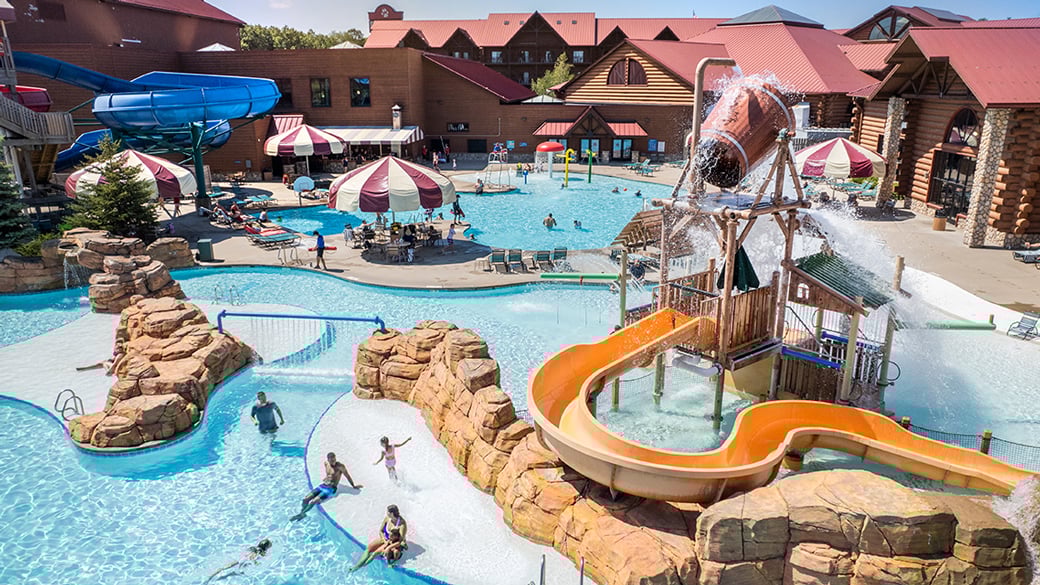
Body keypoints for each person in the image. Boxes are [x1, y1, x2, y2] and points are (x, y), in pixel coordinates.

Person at [291, 452, 362, 521]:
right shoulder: (326, 464)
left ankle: (302, 513)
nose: (333, 462)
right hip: (323, 485)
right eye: (331, 461)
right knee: (305, 499)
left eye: (334, 460)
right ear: (328, 460)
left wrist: (353, 485)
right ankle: (302, 513)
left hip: (331, 488)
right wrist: (326, 478)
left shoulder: (340, 466)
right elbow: (328, 475)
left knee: (314, 501)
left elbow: (347, 475)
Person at [205, 539, 272, 583]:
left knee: (225, 568)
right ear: (266, 547)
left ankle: (211, 576)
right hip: (245, 562)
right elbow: (253, 556)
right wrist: (256, 563)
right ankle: (216, 579)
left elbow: (246, 552)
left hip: (241, 559)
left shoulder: (253, 547)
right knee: (234, 573)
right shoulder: (261, 551)